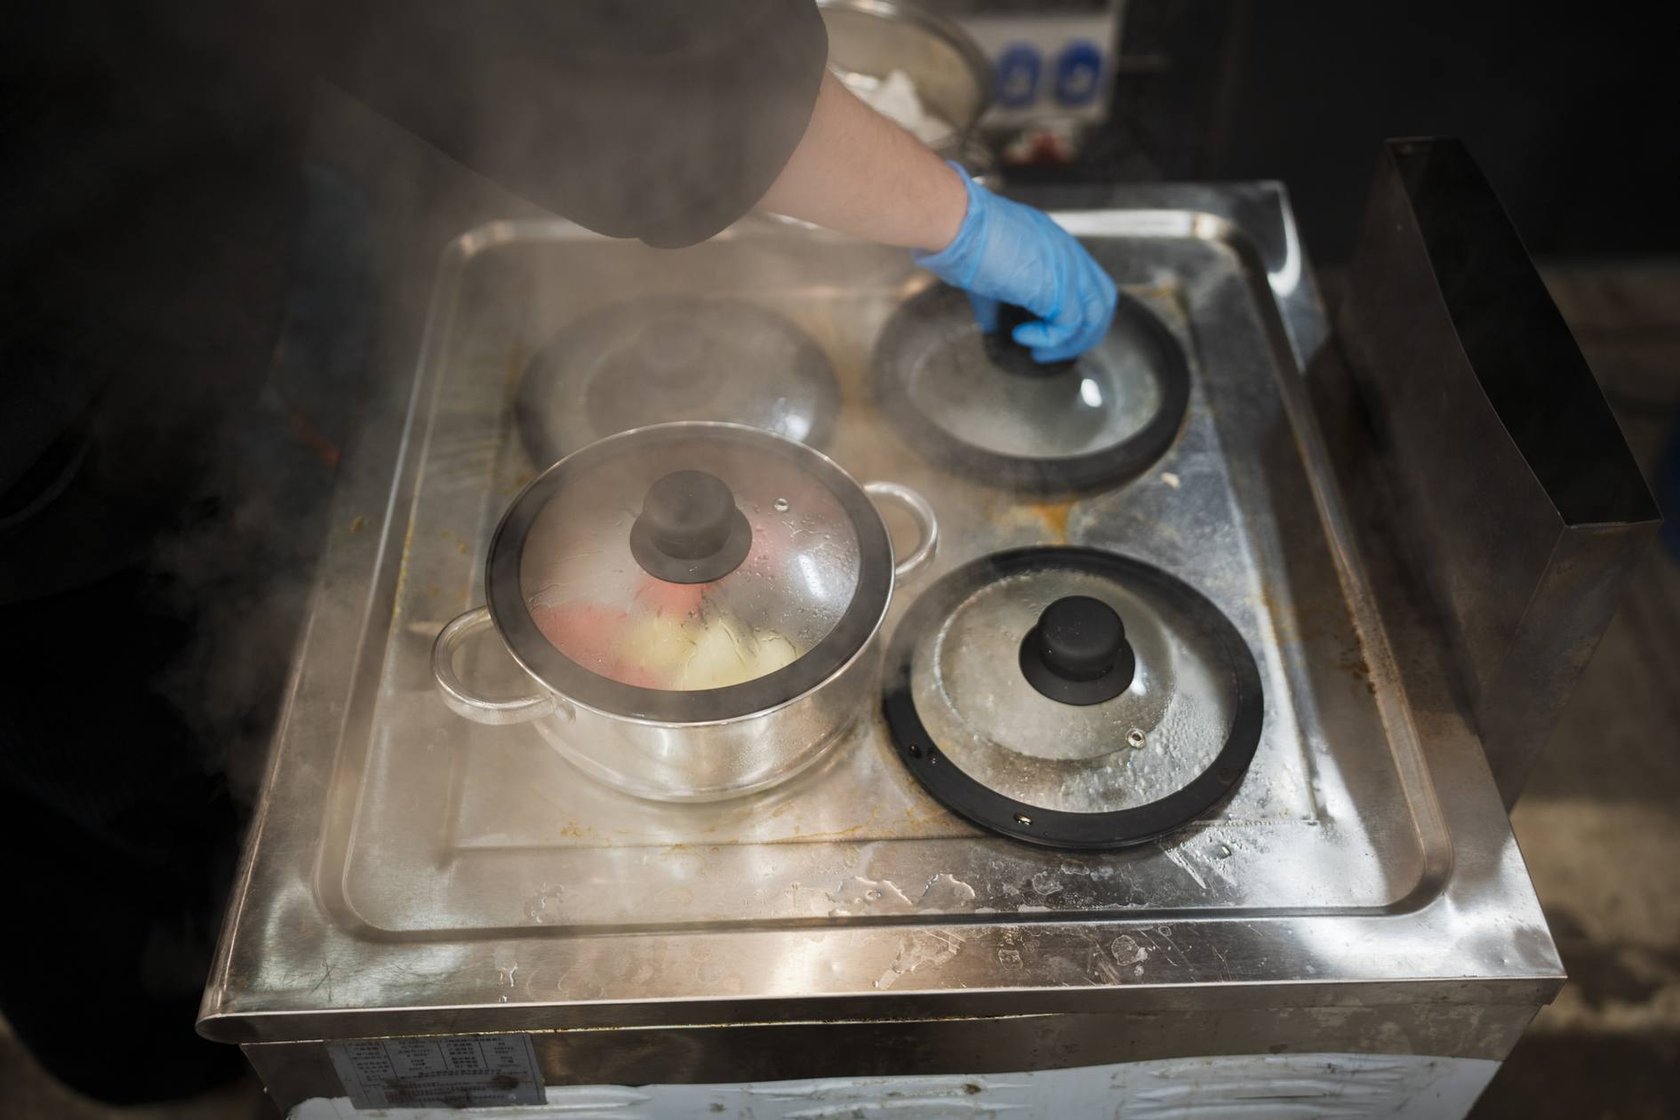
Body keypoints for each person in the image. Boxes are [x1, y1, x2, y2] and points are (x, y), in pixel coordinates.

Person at [0, 1, 1115, 1103]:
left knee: (191, 680)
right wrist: (953, 216)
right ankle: (149, 1045)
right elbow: (628, 43)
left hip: (190, 212)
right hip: (55, 390)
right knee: (109, 760)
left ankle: (150, 993)